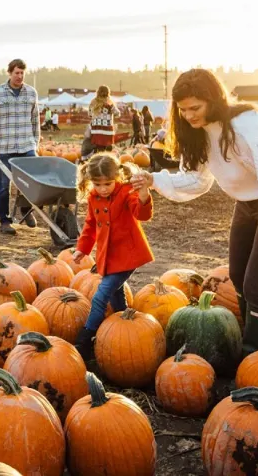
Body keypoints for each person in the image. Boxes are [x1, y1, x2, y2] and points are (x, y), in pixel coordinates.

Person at [131, 68, 258, 355]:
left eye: (195, 108)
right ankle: (247, 331)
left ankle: (255, 352)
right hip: (249, 204)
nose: (189, 115)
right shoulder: (199, 132)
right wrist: (155, 180)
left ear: (213, 100)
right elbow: (197, 180)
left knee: (256, 284)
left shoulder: (246, 127)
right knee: (238, 276)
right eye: (183, 109)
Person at [71, 153, 153, 360]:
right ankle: (127, 325)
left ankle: (85, 340)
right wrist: (83, 248)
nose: (103, 188)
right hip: (109, 257)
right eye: (98, 184)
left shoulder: (126, 192)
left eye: (108, 183)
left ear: (117, 176)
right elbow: (90, 225)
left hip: (128, 256)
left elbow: (141, 214)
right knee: (116, 294)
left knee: (100, 296)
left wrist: (143, 195)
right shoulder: (93, 198)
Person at [0, 58, 41, 235]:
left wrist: (35, 143)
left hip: (26, 144)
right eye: (17, 73)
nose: (20, 76)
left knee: (33, 181)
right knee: (3, 185)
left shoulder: (31, 93)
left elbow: (35, 120)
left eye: (22, 73)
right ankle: (5, 221)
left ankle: (25, 208)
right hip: (4, 147)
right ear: (10, 73)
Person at [88, 85, 117, 152]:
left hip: (96, 130)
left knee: (98, 149)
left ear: (98, 92)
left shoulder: (93, 102)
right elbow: (117, 113)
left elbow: (89, 114)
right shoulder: (109, 102)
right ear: (108, 92)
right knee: (107, 150)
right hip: (107, 130)